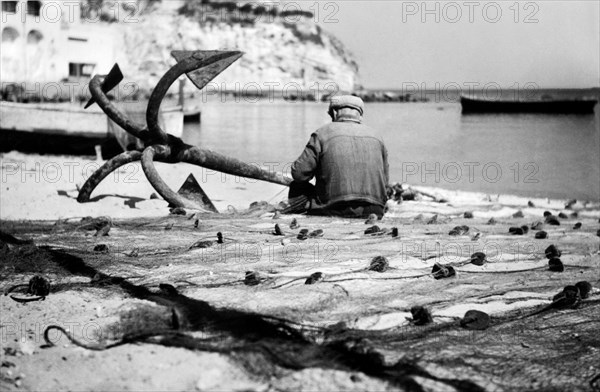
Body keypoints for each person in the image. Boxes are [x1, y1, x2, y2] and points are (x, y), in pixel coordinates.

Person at [284, 95, 389, 219]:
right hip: (374, 210)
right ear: (360, 115)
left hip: (334, 209)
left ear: (334, 112)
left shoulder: (321, 133)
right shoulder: (377, 136)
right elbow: (385, 181)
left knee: (297, 186)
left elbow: (299, 174)